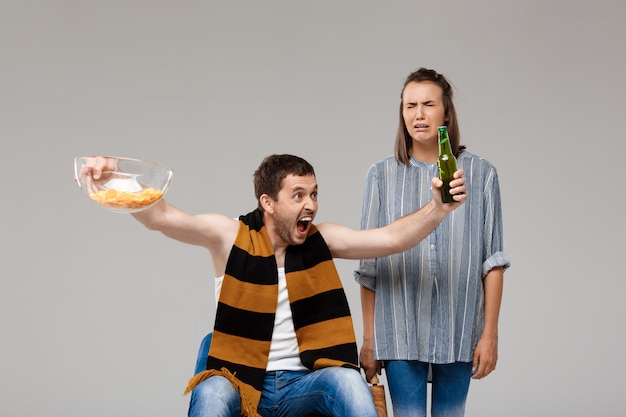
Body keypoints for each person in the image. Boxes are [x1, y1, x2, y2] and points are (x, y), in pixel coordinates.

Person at [81, 153, 466, 417]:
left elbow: (391, 239)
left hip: (306, 383)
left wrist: (439, 207)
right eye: (298, 195)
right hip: (244, 382)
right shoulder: (229, 236)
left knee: (349, 382)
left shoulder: (322, 240)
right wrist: (115, 177)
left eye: (313, 194)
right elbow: (161, 217)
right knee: (212, 391)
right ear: (268, 202)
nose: (311, 204)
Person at [355, 68, 510, 417]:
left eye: (428, 104)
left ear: (446, 113)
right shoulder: (380, 176)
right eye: (410, 106)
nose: (419, 114)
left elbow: (493, 260)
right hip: (399, 329)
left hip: (459, 327)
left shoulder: (482, 174)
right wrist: (369, 338)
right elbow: (368, 266)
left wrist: (490, 335)